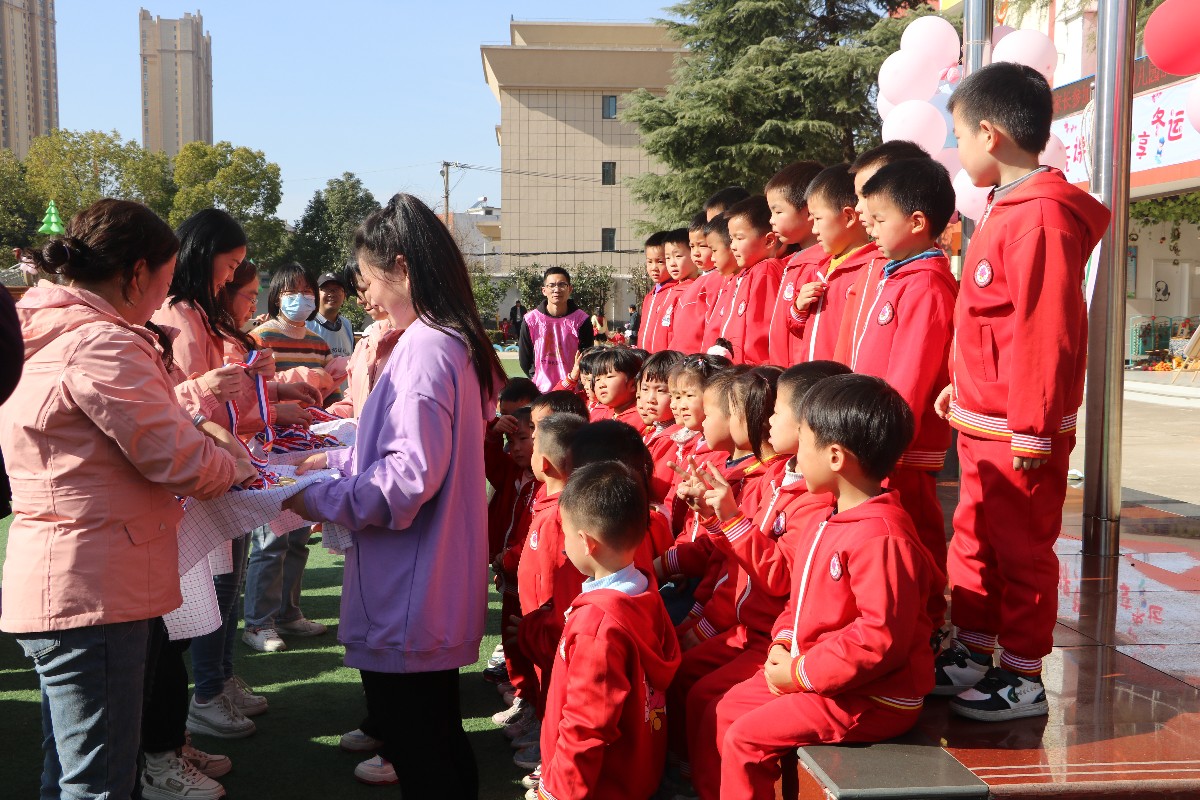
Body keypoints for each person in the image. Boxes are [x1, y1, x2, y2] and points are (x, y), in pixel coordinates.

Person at [0, 199, 251, 800]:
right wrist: (236, 467)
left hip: (69, 576)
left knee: (72, 768)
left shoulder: (47, 328)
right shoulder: (102, 344)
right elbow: (177, 458)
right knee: (99, 781)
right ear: (137, 274)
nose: (166, 294)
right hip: (96, 585)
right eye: (166, 278)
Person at [283, 192, 505, 796]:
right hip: (423, 578)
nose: (366, 295)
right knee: (435, 741)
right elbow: (404, 453)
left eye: (367, 279)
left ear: (401, 267)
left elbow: (407, 478)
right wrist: (330, 462)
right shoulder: (443, 339)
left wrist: (316, 497)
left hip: (411, 582)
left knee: (425, 750)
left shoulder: (428, 347)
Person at [933, 62, 1111, 720]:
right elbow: (990, 320)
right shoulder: (1007, 208)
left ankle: (1022, 674)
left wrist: (1034, 426)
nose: (957, 148)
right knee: (975, 539)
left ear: (990, 133)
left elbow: (1046, 330)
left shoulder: (1040, 217)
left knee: (1021, 550)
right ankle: (975, 648)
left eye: (958, 135)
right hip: (986, 419)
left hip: (1017, 429)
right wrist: (961, 384)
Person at [712, 374, 944, 800]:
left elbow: (878, 640)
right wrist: (783, 644)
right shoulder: (827, 517)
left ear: (835, 456)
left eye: (802, 441)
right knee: (729, 708)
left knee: (746, 739)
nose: (795, 455)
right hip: (819, 673)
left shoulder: (881, 537)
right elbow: (797, 600)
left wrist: (799, 673)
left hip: (871, 697)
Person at [534, 461, 682, 800]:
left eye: (565, 533)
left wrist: (557, 791)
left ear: (586, 543)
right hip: (634, 773)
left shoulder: (596, 627)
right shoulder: (645, 591)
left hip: (599, 785)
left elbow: (586, 725)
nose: (563, 543)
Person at [851, 158, 957, 595]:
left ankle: (927, 611)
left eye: (879, 219)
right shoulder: (898, 277)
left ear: (916, 222)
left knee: (914, 527)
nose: (871, 228)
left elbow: (911, 375)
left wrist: (885, 438)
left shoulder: (926, 285)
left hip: (901, 443)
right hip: (881, 437)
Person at [242, 264, 342, 654]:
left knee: (298, 536)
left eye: (307, 291)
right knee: (271, 540)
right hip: (269, 448)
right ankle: (258, 623)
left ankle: (288, 614)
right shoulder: (259, 337)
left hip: (308, 446)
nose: (302, 298)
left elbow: (330, 398)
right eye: (292, 291)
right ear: (276, 296)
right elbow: (249, 393)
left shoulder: (318, 343)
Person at [787, 164, 882, 363]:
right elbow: (800, 332)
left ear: (848, 217)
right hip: (812, 377)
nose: (814, 230)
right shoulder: (820, 269)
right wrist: (798, 308)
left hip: (841, 380)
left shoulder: (873, 269)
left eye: (818, 219)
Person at [703, 196, 783, 364]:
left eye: (739, 238)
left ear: (769, 240)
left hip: (750, 373)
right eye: (731, 239)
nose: (732, 246)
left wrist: (751, 373)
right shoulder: (741, 276)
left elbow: (760, 334)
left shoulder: (765, 271)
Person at [765, 161, 825, 366]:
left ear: (808, 212)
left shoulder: (820, 264)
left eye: (778, 212)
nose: (771, 220)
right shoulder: (792, 262)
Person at [518, 267, 594, 392]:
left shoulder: (581, 320)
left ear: (570, 289)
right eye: (552, 285)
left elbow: (586, 358)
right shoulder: (530, 320)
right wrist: (537, 378)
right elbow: (525, 359)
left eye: (562, 285)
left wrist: (575, 381)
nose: (557, 289)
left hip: (572, 391)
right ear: (544, 290)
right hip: (541, 392)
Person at [307, 271, 356, 361]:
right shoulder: (307, 324)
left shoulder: (347, 325)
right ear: (316, 294)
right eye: (326, 289)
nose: (332, 293)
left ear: (344, 296)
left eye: (337, 289)